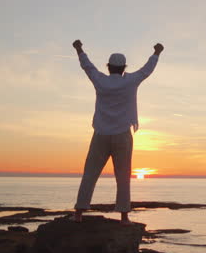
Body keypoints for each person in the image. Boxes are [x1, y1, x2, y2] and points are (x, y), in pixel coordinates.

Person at [70, 39, 163, 225]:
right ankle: (124, 216)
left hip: (101, 134)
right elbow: (146, 70)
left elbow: (87, 66)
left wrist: (79, 49)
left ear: (109, 66)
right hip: (122, 135)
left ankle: (79, 214)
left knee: (90, 173)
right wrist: (157, 52)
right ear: (123, 68)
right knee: (123, 176)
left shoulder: (101, 80)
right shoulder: (130, 81)